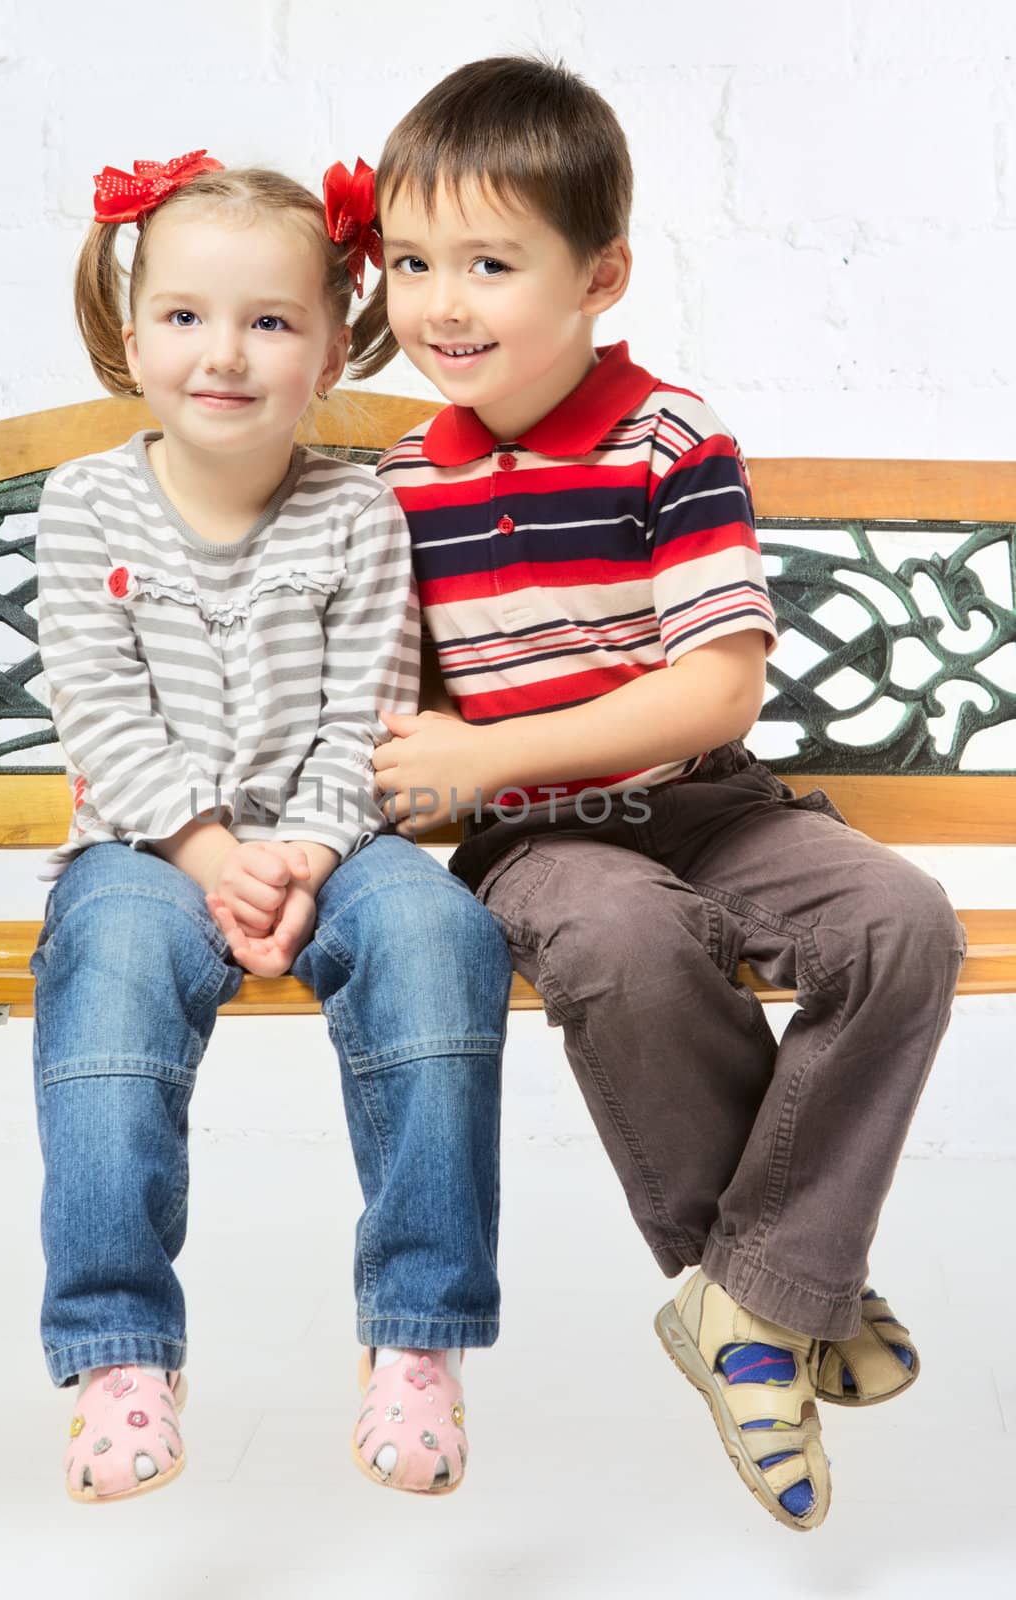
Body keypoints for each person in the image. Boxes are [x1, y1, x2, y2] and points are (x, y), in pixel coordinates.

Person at [353, 58, 967, 1532]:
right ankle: (784, 1296)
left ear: (600, 275)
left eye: (491, 265)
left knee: (902, 921)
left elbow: (715, 688)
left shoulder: (664, 440)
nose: (444, 304)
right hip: (540, 849)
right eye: (415, 262)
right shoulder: (394, 488)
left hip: (716, 798)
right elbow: (394, 724)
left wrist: (484, 747)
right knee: (629, 947)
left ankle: (750, 1296)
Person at [31, 150, 511, 1504]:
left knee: (441, 937)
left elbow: (368, 716)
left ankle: (417, 1338)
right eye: (185, 316)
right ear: (133, 343)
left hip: (335, 844)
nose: (224, 354)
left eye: (271, 321)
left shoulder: (357, 512)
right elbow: (101, 715)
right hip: (142, 845)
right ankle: (120, 1353)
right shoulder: (87, 508)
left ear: (331, 352)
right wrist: (203, 854)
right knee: (111, 981)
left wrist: (297, 854)